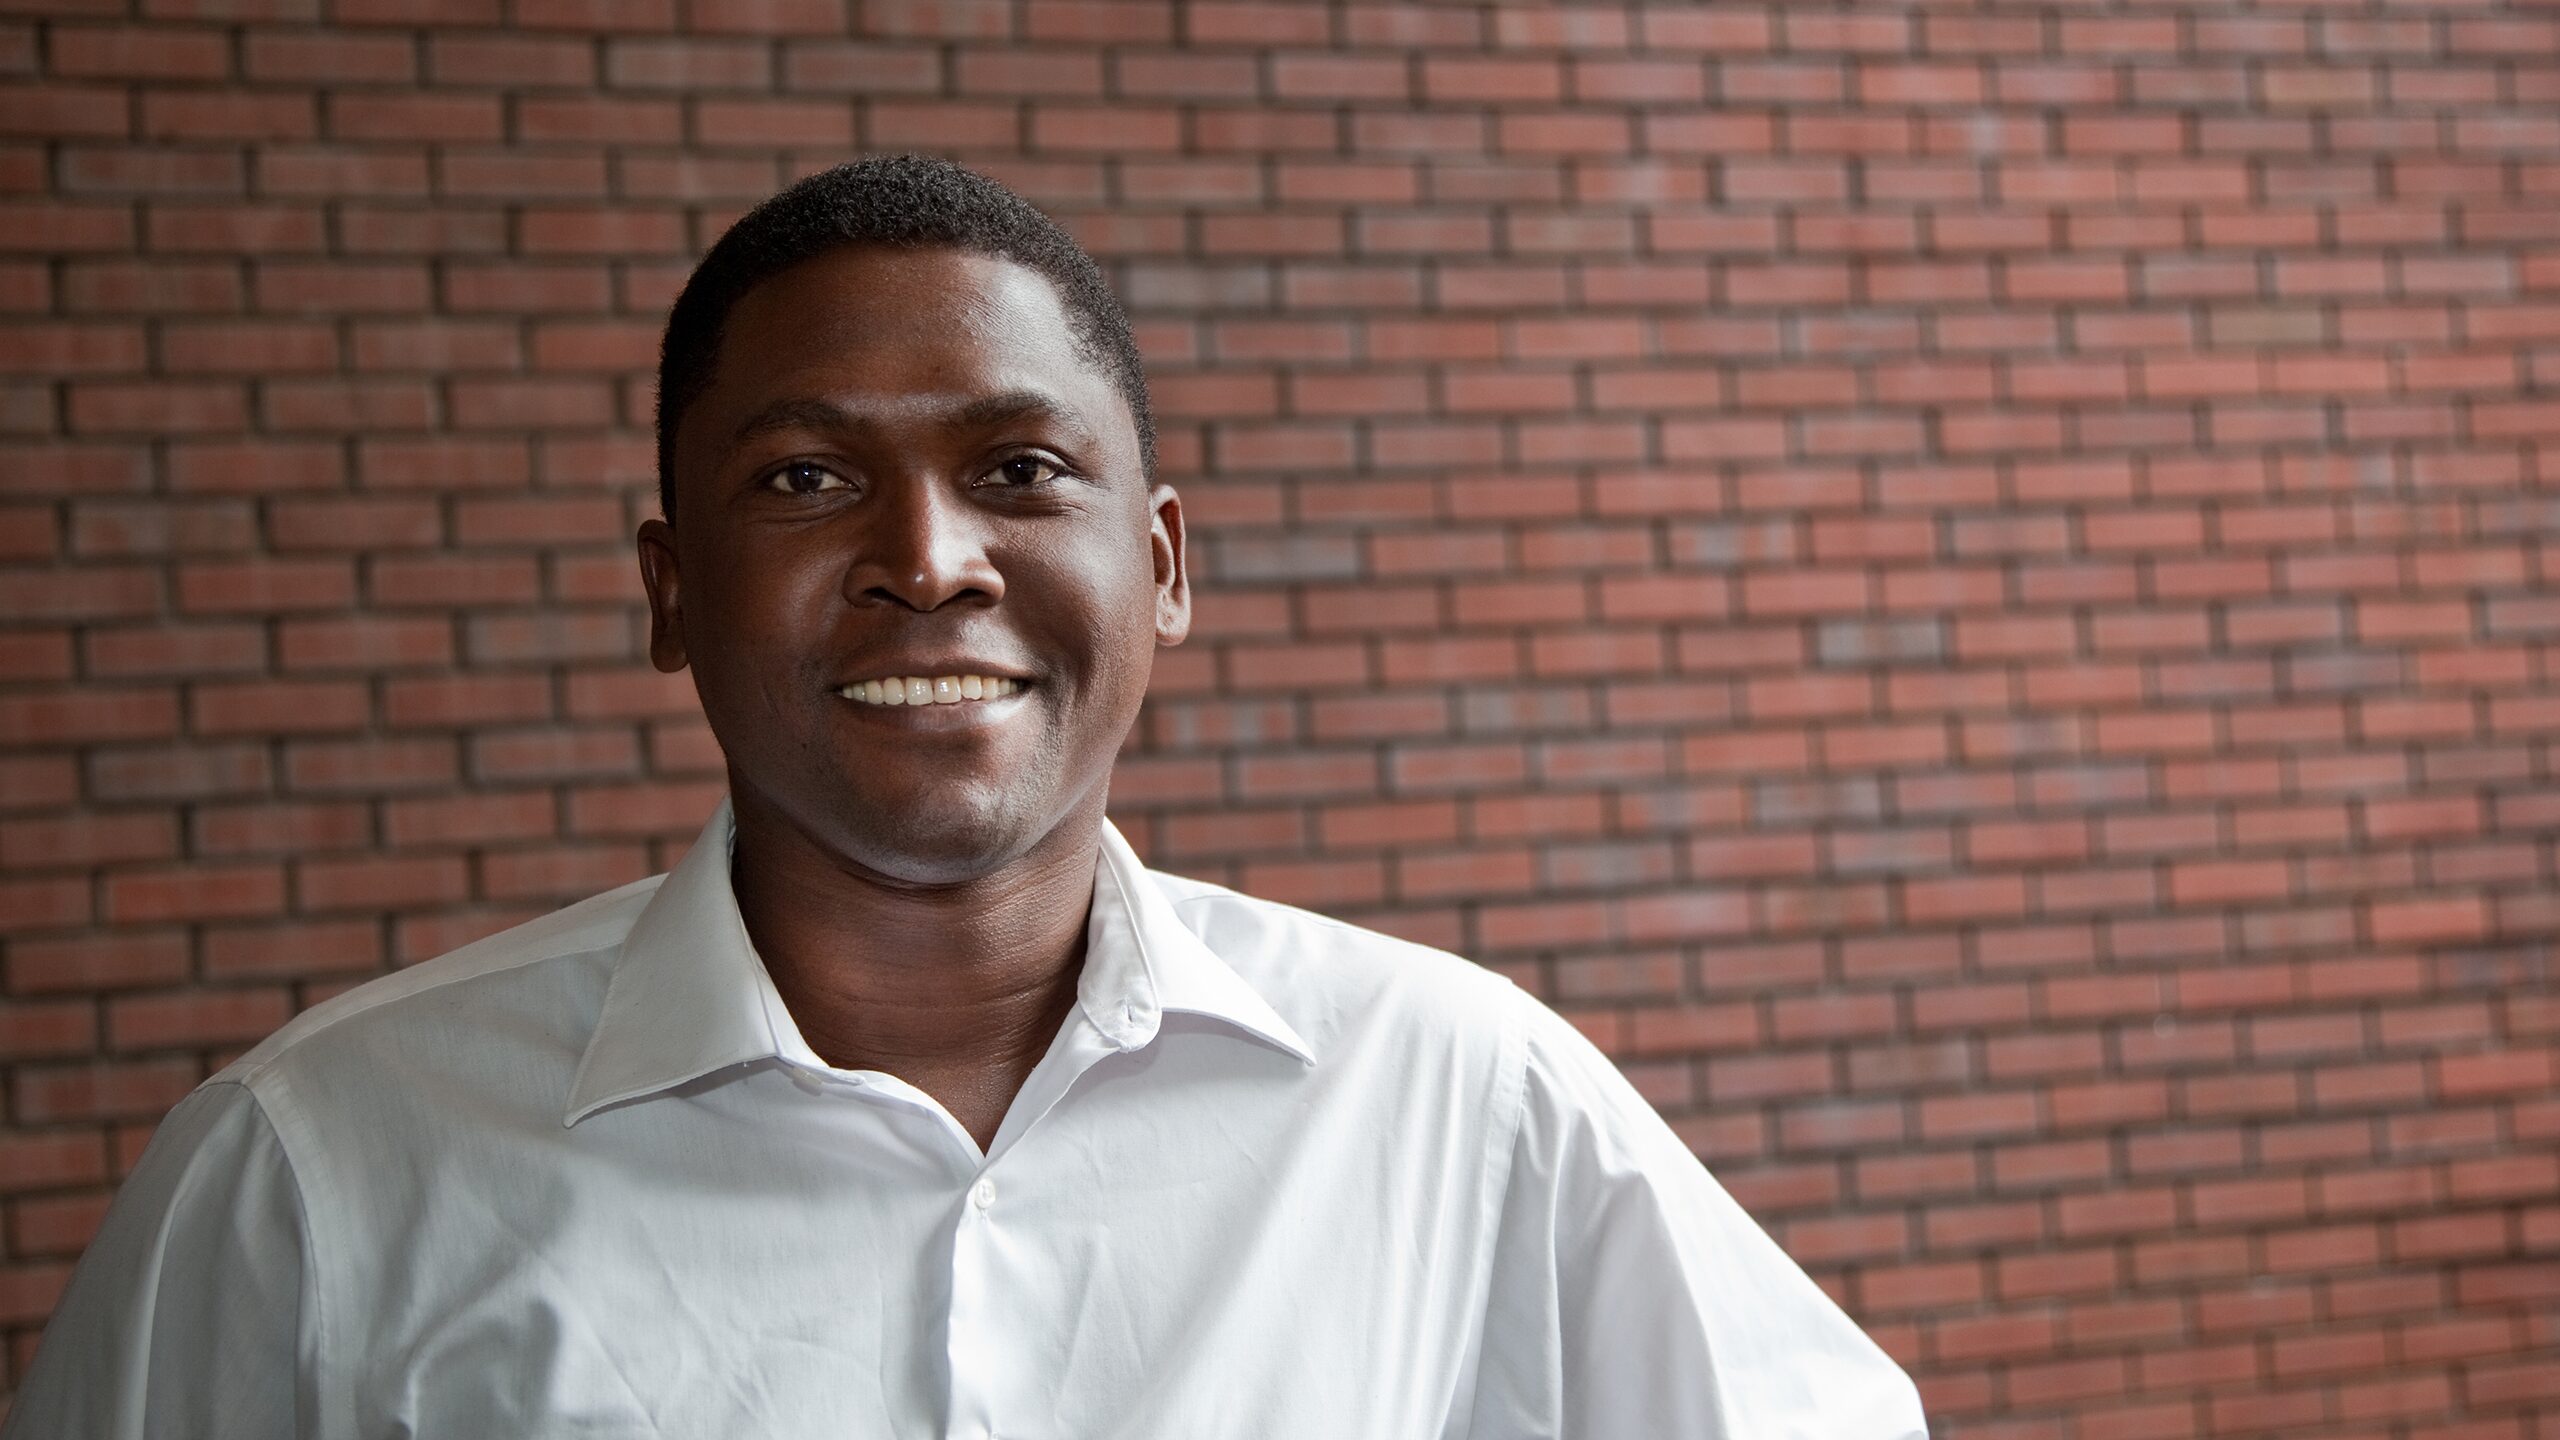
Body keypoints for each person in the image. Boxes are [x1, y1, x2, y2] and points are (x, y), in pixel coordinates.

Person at [4, 155, 1927, 1439]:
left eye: (1020, 471)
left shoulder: (1458, 1097)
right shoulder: (313, 1178)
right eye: (806, 480)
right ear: (671, 590)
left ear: (1161, 565)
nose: (929, 560)